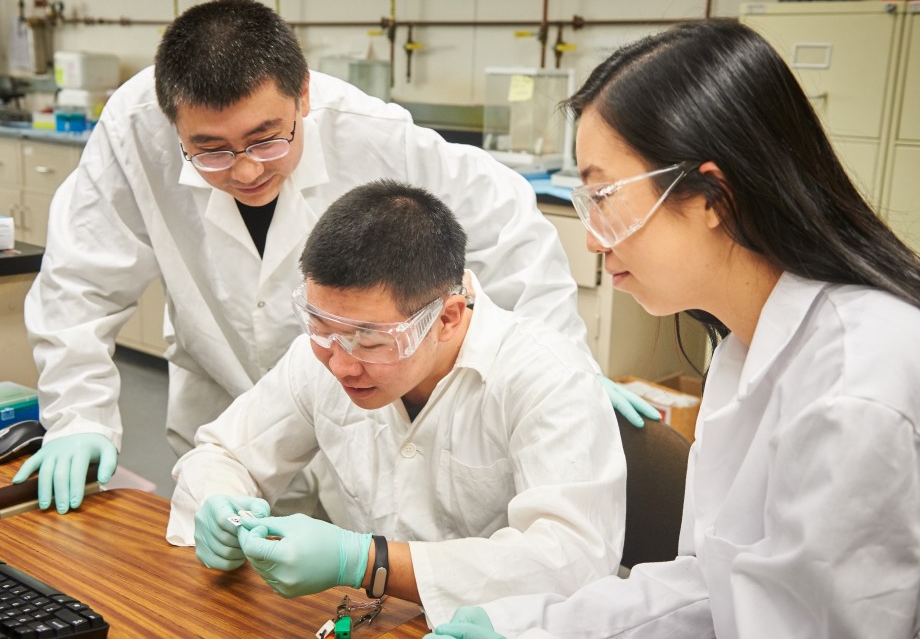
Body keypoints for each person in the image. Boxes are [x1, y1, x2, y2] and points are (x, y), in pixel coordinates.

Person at [13, 0, 655, 514]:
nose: (243, 171)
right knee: (231, 550)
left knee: (366, 563)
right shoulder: (133, 132)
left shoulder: (371, 134)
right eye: (209, 150)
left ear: (304, 98)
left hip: (365, 404)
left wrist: (561, 365)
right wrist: (77, 417)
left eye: (266, 139)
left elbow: (511, 226)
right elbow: (81, 279)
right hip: (226, 389)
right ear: (173, 124)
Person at [426, 19, 920, 638]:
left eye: (604, 196)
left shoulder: (854, 384)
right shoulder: (749, 346)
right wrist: (529, 629)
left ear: (712, 196)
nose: (591, 238)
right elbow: (710, 588)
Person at [167, 179, 627, 626]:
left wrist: (367, 562)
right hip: (381, 620)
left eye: (370, 341)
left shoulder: (546, 377)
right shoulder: (326, 353)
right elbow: (225, 452)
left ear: (446, 318)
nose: (341, 365)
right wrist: (220, 502)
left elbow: (571, 560)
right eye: (319, 325)